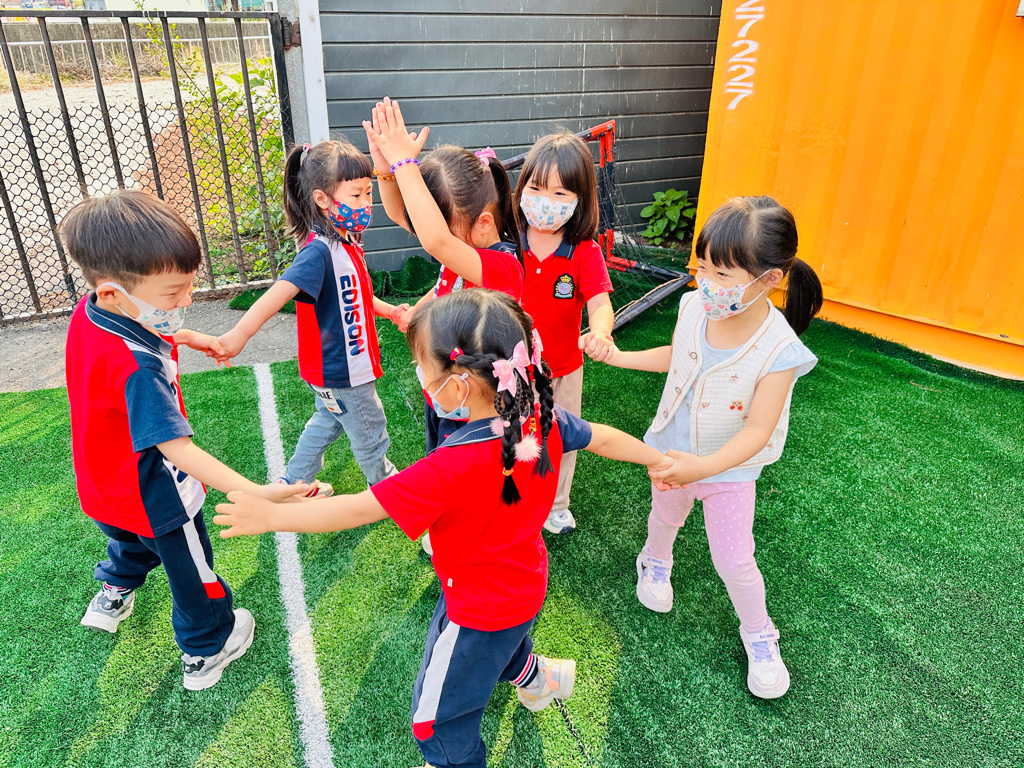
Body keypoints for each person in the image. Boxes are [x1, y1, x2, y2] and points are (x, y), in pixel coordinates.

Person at [213, 289, 673, 768]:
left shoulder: (450, 466)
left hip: (477, 604)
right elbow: (602, 437)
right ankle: (540, 682)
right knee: (502, 644)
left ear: (459, 386)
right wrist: (657, 461)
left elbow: (355, 510)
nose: (420, 377)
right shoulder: (540, 418)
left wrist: (272, 517)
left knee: (435, 724)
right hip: (523, 583)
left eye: (423, 368)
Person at [61, 190, 307, 691]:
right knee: (193, 570)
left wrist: (190, 336)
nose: (187, 300)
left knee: (128, 538)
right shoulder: (139, 368)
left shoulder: (94, 312)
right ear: (113, 292)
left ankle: (113, 592)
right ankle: (207, 648)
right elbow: (177, 448)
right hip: (158, 495)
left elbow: (144, 326)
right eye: (174, 293)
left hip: (102, 482)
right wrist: (255, 492)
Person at [587, 196, 823, 699]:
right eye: (704, 267)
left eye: (723, 274)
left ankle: (759, 633)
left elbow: (758, 431)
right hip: (672, 449)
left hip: (729, 470)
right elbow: (678, 356)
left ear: (769, 279)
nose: (707, 282)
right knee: (665, 516)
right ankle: (654, 560)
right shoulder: (695, 305)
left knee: (735, 560)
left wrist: (705, 467)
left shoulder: (780, 351)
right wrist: (620, 357)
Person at [218, 139, 406, 496]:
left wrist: (390, 310)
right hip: (344, 371)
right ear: (322, 198)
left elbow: (358, 293)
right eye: (356, 195)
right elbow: (278, 292)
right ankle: (390, 491)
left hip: (329, 371)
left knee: (327, 421)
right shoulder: (318, 253)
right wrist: (239, 334)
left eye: (368, 193)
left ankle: (293, 485)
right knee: (371, 433)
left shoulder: (346, 241)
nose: (366, 203)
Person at [363, 97, 524, 456]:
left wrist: (405, 163)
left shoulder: (503, 269)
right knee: (441, 467)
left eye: (439, 227)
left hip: (480, 410)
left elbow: (436, 240)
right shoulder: (463, 251)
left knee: (470, 478)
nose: (427, 235)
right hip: (447, 395)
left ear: (484, 223)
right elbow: (405, 217)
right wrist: (386, 170)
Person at [515, 130, 615, 535]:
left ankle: (556, 504)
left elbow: (600, 304)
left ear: (579, 199)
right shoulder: (507, 242)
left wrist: (601, 332)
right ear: (521, 188)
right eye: (536, 188)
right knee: (514, 433)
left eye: (560, 193)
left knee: (560, 438)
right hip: (511, 368)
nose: (545, 201)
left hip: (564, 369)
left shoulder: (584, 251)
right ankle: (515, 495)